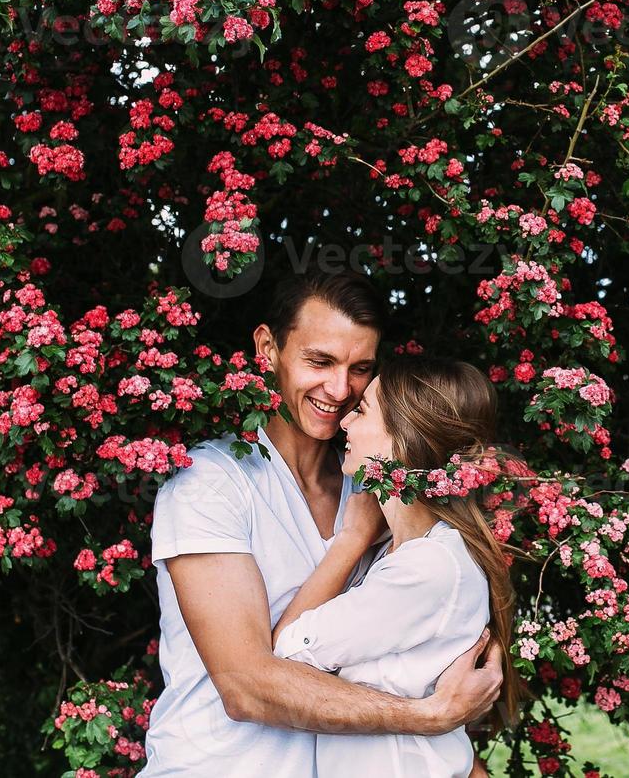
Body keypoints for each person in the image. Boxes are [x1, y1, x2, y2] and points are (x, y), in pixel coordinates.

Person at [141, 269, 503, 777]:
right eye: (320, 360)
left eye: (360, 369)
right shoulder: (210, 484)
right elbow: (247, 687)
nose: (339, 389)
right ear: (268, 348)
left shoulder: (375, 485)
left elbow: (400, 678)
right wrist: (432, 716)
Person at [270, 355, 524, 777]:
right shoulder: (404, 549)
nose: (346, 422)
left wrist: (349, 540)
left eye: (364, 410)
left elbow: (286, 652)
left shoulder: (428, 566)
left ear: (402, 440)